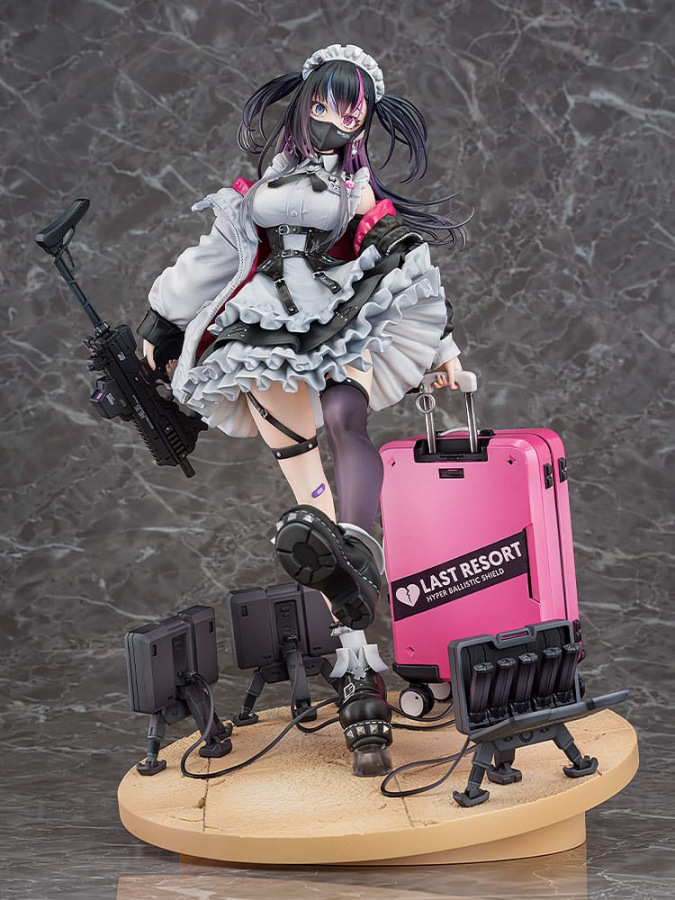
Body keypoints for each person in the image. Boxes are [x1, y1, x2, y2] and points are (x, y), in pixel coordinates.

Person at [138, 44, 467, 775]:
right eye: (322, 104)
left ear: (365, 121)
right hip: (264, 330)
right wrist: (162, 320)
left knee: (347, 422)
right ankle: (348, 621)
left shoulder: (357, 192)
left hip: (339, 315)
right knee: (300, 478)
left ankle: (357, 551)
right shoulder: (262, 186)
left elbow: (405, 260)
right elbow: (216, 255)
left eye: (348, 112)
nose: (331, 120)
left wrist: (442, 345)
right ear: (303, 102)